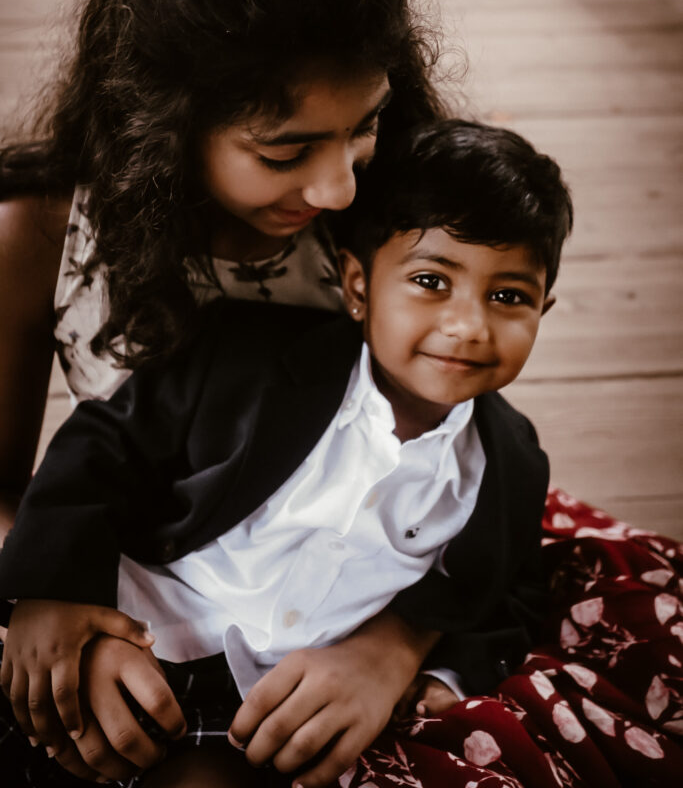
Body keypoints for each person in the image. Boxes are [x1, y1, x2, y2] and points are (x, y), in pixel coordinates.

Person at [0, 0, 451, 779]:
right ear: (161, 122)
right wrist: (61, 602)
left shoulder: (398, 215)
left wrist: (395, 645)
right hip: (122, 582)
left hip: (357, 585)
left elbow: (453, 455)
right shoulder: (40, 230)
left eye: (362, 125)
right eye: (284, 151)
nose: (334, 186)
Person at [0, 118, 574, 788]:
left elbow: (505, 589)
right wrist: (51, 591)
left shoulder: (509, 459)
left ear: (544, 308)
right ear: (357, 287)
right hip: (138, 632)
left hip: (266, 710)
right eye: (429, 281)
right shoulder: (252, 361)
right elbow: (102, 447)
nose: (468, 325)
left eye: (508, 297)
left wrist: (436, 670)